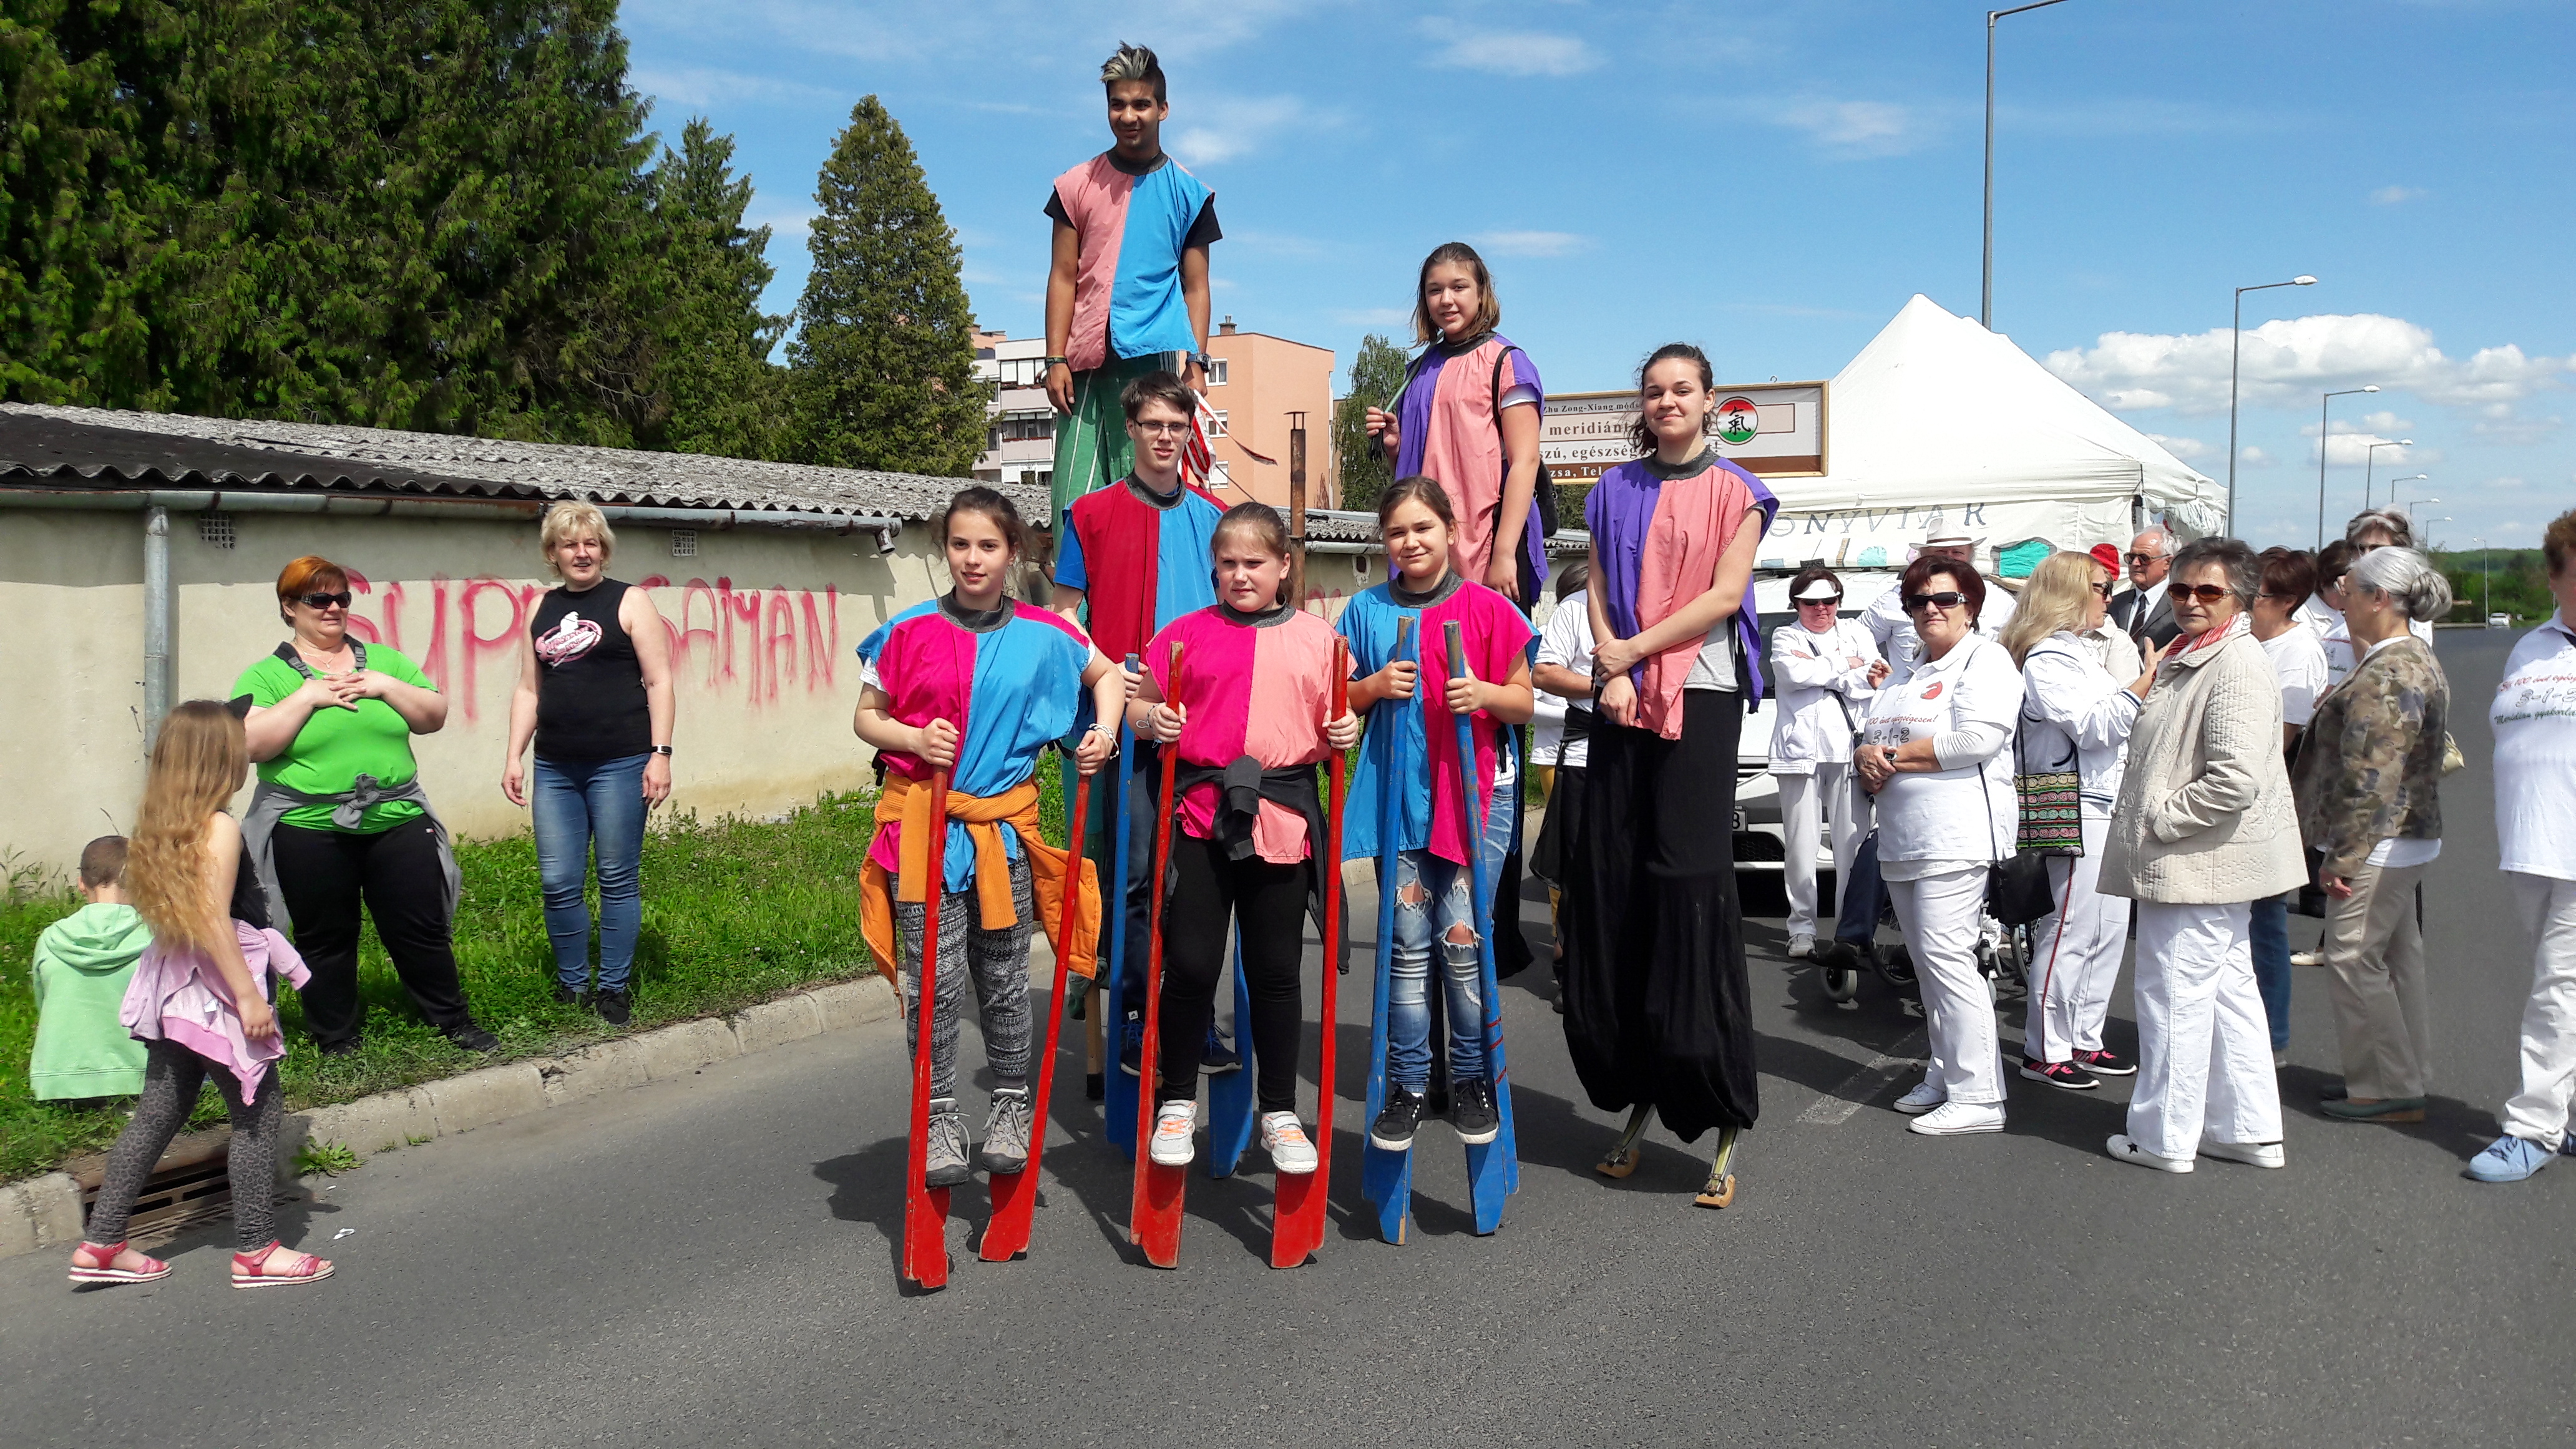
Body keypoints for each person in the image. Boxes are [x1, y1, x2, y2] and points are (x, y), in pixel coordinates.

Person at [855, 489, 1121, 1188]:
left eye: (989, 546)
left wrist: (1103, 731)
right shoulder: (906, 631)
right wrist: (912, 738)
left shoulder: (1047, 631)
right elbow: (867, 717)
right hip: (922, 832)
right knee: (934, 987)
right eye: (960, 544)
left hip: (1001, 836)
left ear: (1013, 552)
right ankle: (938, 1116)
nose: (973, 559)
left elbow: (1107, 677)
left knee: (1004, 983)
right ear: (945, 549)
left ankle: (1009, 1108)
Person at [1560, 343, 1776, 1202]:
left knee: (1689, 883)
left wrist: (1631, 653)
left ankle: (1713, 1090)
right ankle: (1636, 1076)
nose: (1667, 401)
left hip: (1702, 695)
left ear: (1710, 399)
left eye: (1682, 389)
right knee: (1616, 883)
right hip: (1622, 695)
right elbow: (1600, 588)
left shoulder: (1740, 490)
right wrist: (1612, 666)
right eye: (1654, 391)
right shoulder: (1612, 488)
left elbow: (1723, 597)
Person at [1125, 504, 1360, 1169]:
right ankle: (1176, 1101)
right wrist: (1151, 721)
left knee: (1275, 972)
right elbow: (1139, 707)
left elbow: (1337, 721)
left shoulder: (1322, 641)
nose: (1240, 575)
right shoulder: (1183, 634)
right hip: (1200, 816)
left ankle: (1280, 1113)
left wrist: (1346, 730)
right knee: (1192, 965)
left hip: (1283, 819)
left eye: (1255, 562)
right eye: (1228, 563)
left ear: (1284, 566)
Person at [69, 700, 333, 1289]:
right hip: (218, 990)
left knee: (159, 1111)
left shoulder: (157, 825)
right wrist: (249, 998)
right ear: (218, 757)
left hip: (173, 984)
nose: (246, 752)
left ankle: (103, 1242)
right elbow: (214, 919)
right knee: (257, 1111)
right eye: (238, 744)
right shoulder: (219, 826)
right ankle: (257, 1250)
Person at [1341, 476, 1536, 1153]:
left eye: (1423, 527)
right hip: (1400, 796)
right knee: (1405, 946)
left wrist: (1482, 693)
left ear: (1450, 531)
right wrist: (1372, 686)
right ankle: (1409, 1083)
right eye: (1397, 532)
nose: (1411, 542)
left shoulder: (1489, 608)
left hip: (1476, 796)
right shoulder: (1364, 611)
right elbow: (1335, 696)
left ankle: (1473, 1079)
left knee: (1461, 942)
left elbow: (1523, 701)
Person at [2098, 537, 2305, 1173]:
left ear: (2239, 598)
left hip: (2195, 860)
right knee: (2225, 993)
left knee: (2174, 998)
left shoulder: (2234, 662)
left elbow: (2234, 779)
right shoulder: (2199, 651)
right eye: (2182, 588)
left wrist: (2163, 820)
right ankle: (2246, 1129)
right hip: (2202, 861)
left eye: (2208, 590)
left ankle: (2163, 1136)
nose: (2191, 600)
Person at [236, 556, 494, 1055]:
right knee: (325, 936)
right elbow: (251, 744)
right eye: (319, 599)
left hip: (396, 817)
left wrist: (385, 686)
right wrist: (306, 698)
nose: (333, 608)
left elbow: (433, 715)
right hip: (307, 824)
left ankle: (452, 1020)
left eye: (342, 598)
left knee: (420, 928)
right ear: (289, 607)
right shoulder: (266, 676)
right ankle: (336, 1036)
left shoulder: (384, 661)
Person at [1051, 369, 1229, 1088]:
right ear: (1130, 430)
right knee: (1131, 878)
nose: (1164, 437)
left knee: (1201, 883)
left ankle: (1193, 1017)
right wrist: (1102, 677)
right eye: (1152, 424)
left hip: (1204, 729)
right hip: (1126, 731)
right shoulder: (1090, 514)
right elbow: (1064, 619)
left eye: (1176, 426)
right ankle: (1130, 1014)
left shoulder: (1216, 520)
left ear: (1190, 433)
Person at [1855, 555, 2024, 1136]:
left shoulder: (1986, 660)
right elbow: (1872, 738)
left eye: (1945, 599)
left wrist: (1891, 757)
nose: (1931, 609)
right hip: (1902, 835)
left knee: (1949, 961)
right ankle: (1947, 1071)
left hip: (1955, 834)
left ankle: (1979, 1095)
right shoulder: (1906, 672)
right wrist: (1865, 756)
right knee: (1928, 965)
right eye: (1918, 601)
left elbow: (1977, 739)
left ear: (1971, 607)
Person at [2292, 546, 2451, 1126]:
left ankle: (2388, 1085)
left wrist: (2344, 857)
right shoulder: (2406, 656)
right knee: (2397, 957)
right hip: (2403, 834)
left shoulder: (2389, 670)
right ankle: (2405, 1072)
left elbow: (2371, 776)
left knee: (2353, 958)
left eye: (2351, 590)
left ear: (2379, 599)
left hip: (2381, 839)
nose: (2342, 601)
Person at [502, 502, 674, 1027]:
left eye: (591, 543)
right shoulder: (541, 607)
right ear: (552, 553)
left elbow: (659, 681)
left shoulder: (630, 601)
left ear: (603, 550)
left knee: (617, 878)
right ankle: (573, 985)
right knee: (558, 881)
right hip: (556, 767)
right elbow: (529, 689)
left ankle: (613, 988)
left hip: (621, 763)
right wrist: (513, 755)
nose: (582, 553)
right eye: (570, 544)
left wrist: (660, 754)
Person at [1999, 551, 2162, 1090]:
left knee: (2107, 929)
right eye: (2100, 587)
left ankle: (2083, 1037)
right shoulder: (2047, 658)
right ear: (2068, 592)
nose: (2109, 598)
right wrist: (2144, 683)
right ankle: (2044, 1047)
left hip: (2100, 798)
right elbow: (2096, 727)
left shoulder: (2077, 652)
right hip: (2067, 799)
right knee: (2069, 925)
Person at [1042, 42, 1219, 528]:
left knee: (1145, 494)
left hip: (1152, 362)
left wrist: (1197, 363)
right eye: (1117, 105)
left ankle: (1147, 580)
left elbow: (1196, 288)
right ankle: (1073, 584)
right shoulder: (1076, 186)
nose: (1128, 116)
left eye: (1141, 104)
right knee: (1074, 501)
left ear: (1163, 108)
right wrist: (1054, 358)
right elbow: (1062, 275)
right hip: (1083, 363)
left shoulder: (1190, 194)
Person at [2469, 505, 2576, 1181]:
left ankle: (2533, 1128)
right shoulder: (2532, 647)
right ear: (2555, 578)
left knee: (2558, 989)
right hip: (2533, 842)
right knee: (2565, 986)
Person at [1361, 242, 1548, 603]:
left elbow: (1525, 461)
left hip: (1490, 546)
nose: (1446, 300)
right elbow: (1416, 474)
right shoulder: (1417, 371)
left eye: (1459, 287)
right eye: (1435, 290)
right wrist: (1395, 447)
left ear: (1481, 293)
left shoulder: (1506, 363)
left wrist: (1504, 553)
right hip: (1424, 551)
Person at [1769, 567, 1886, 960]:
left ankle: (1848, 930)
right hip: (1798, 751)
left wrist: (1826, 669)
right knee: (1800, 847)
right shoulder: (1786, 636)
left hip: (1849, 750)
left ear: (1838, 601)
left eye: (1829, 601)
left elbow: (1871, 683)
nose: (1821, 609)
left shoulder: (1857, 631)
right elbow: (1792, 673)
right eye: (1810, 603)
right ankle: (1801, 928)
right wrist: (1847, 665)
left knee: (1851, 846)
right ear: (1797, 605)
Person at [2250, 548, 2331, 1060]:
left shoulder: (2299, 652)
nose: (2244, 603)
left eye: (2253, 595)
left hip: (2271, 804)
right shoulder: (2253, 640)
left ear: (2286, 601)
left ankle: (2272, 1037)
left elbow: (2279, 740)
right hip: (2245, 799)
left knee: (2265, 923)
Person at [30, 836, 152, 1102]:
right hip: (141, 1080)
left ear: (81, 884)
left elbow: (44, 1004)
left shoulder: (51, 939)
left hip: (58, 1083)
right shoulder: (154, 937)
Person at [1531, 559, 1598, 1008]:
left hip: (1631, 755)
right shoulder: (1571, 614)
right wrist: (1597, 690)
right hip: (1569, 756)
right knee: (1570, 866)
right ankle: (1567, 962)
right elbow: (1539, 684)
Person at [1861, 530, 2016, 670]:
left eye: (1957, 552)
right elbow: (1856, 639)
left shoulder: (2000, 599)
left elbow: (2021, 643)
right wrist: (1881, 674)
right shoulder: (1894, 599)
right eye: (1918, 603)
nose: (1949, 557)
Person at [2107, 525, 2183, 650]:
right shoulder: (2115, 604)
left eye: (2144, 558)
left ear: (2168, 563)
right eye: (2131, 558)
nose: (2135, 563)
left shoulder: (2181, 603)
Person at [2080, 544, 2147, 680]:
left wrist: (2149, 675)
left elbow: (2125, 692)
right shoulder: (2041, 634)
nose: (2109, 599)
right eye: (2103, 589)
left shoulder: (2116, 641)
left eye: (2108, 590)